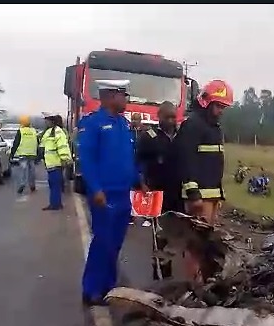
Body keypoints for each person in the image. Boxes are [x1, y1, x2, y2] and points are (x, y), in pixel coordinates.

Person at [78, 79, 147, 306]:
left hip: (122, 192)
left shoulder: (123, 124)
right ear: (109, 96)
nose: (126, 100)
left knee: (115, 242)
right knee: (103, 241)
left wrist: (139, 181)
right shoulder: (93, 123)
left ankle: (108, 285)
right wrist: (95, 188)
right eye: (123, 95)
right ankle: (92, 289)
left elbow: (128, 158)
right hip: (104, 194)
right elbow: (87, 159)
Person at [177, 79, 233, 226]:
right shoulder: (192, 125)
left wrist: (218, 196)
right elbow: (187, 161)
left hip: (211, 195)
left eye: (223, 107)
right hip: (199, 197)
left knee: (206, 241)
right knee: (196, 241)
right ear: (206, 102)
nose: (221, 111)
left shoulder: (214, 127)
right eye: (218, 106)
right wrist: (193, 195)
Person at [136, 101, 181, 279]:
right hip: (156, 192)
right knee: (159, 236)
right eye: (167, 117)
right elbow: (139, 163)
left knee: (177, 236)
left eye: (173, 117)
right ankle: (160, 275)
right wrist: (142, 184)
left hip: (177, 193)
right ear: (159, 117)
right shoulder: (149, 137)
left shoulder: (181, 136)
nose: (171, 121)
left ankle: (170, 269)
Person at [39, 113, 72, 210]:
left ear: (52, 121)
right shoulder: (48, 132)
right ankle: (54, 203)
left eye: (47, 120)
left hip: (57, 163)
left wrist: (65, 159)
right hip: (50, 163)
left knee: (55, 185)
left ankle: (55, 204)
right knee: (53, 184)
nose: (46, 122)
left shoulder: (58, 132)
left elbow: (62, 147)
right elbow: (43, 145)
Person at [9, 115, 39, 195]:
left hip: (23, 154)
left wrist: (12, 154)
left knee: (23, 170)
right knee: (32, 170)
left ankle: (22, 184)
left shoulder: (21, 131)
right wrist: (39, 155)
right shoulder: (34, 131)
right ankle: (32, 185)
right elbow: (38, 143)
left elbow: (16, 143)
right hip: (32, 154)